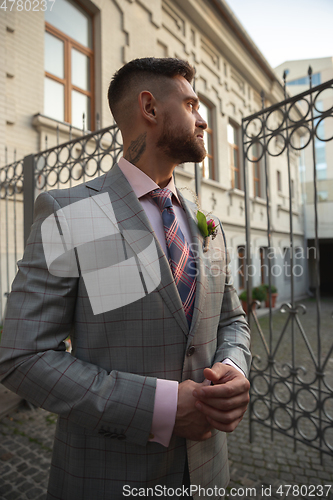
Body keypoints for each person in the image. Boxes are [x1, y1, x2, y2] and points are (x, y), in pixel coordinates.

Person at [0, 57, 251, 500]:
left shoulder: (206, 221)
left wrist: (232, 368)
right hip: (107, 478)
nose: (203, 119)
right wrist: (164, 409)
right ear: (150, 108)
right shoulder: (70, 214)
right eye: (191, 104)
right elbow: (23, 356)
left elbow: (232, 320)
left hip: (210, 474)